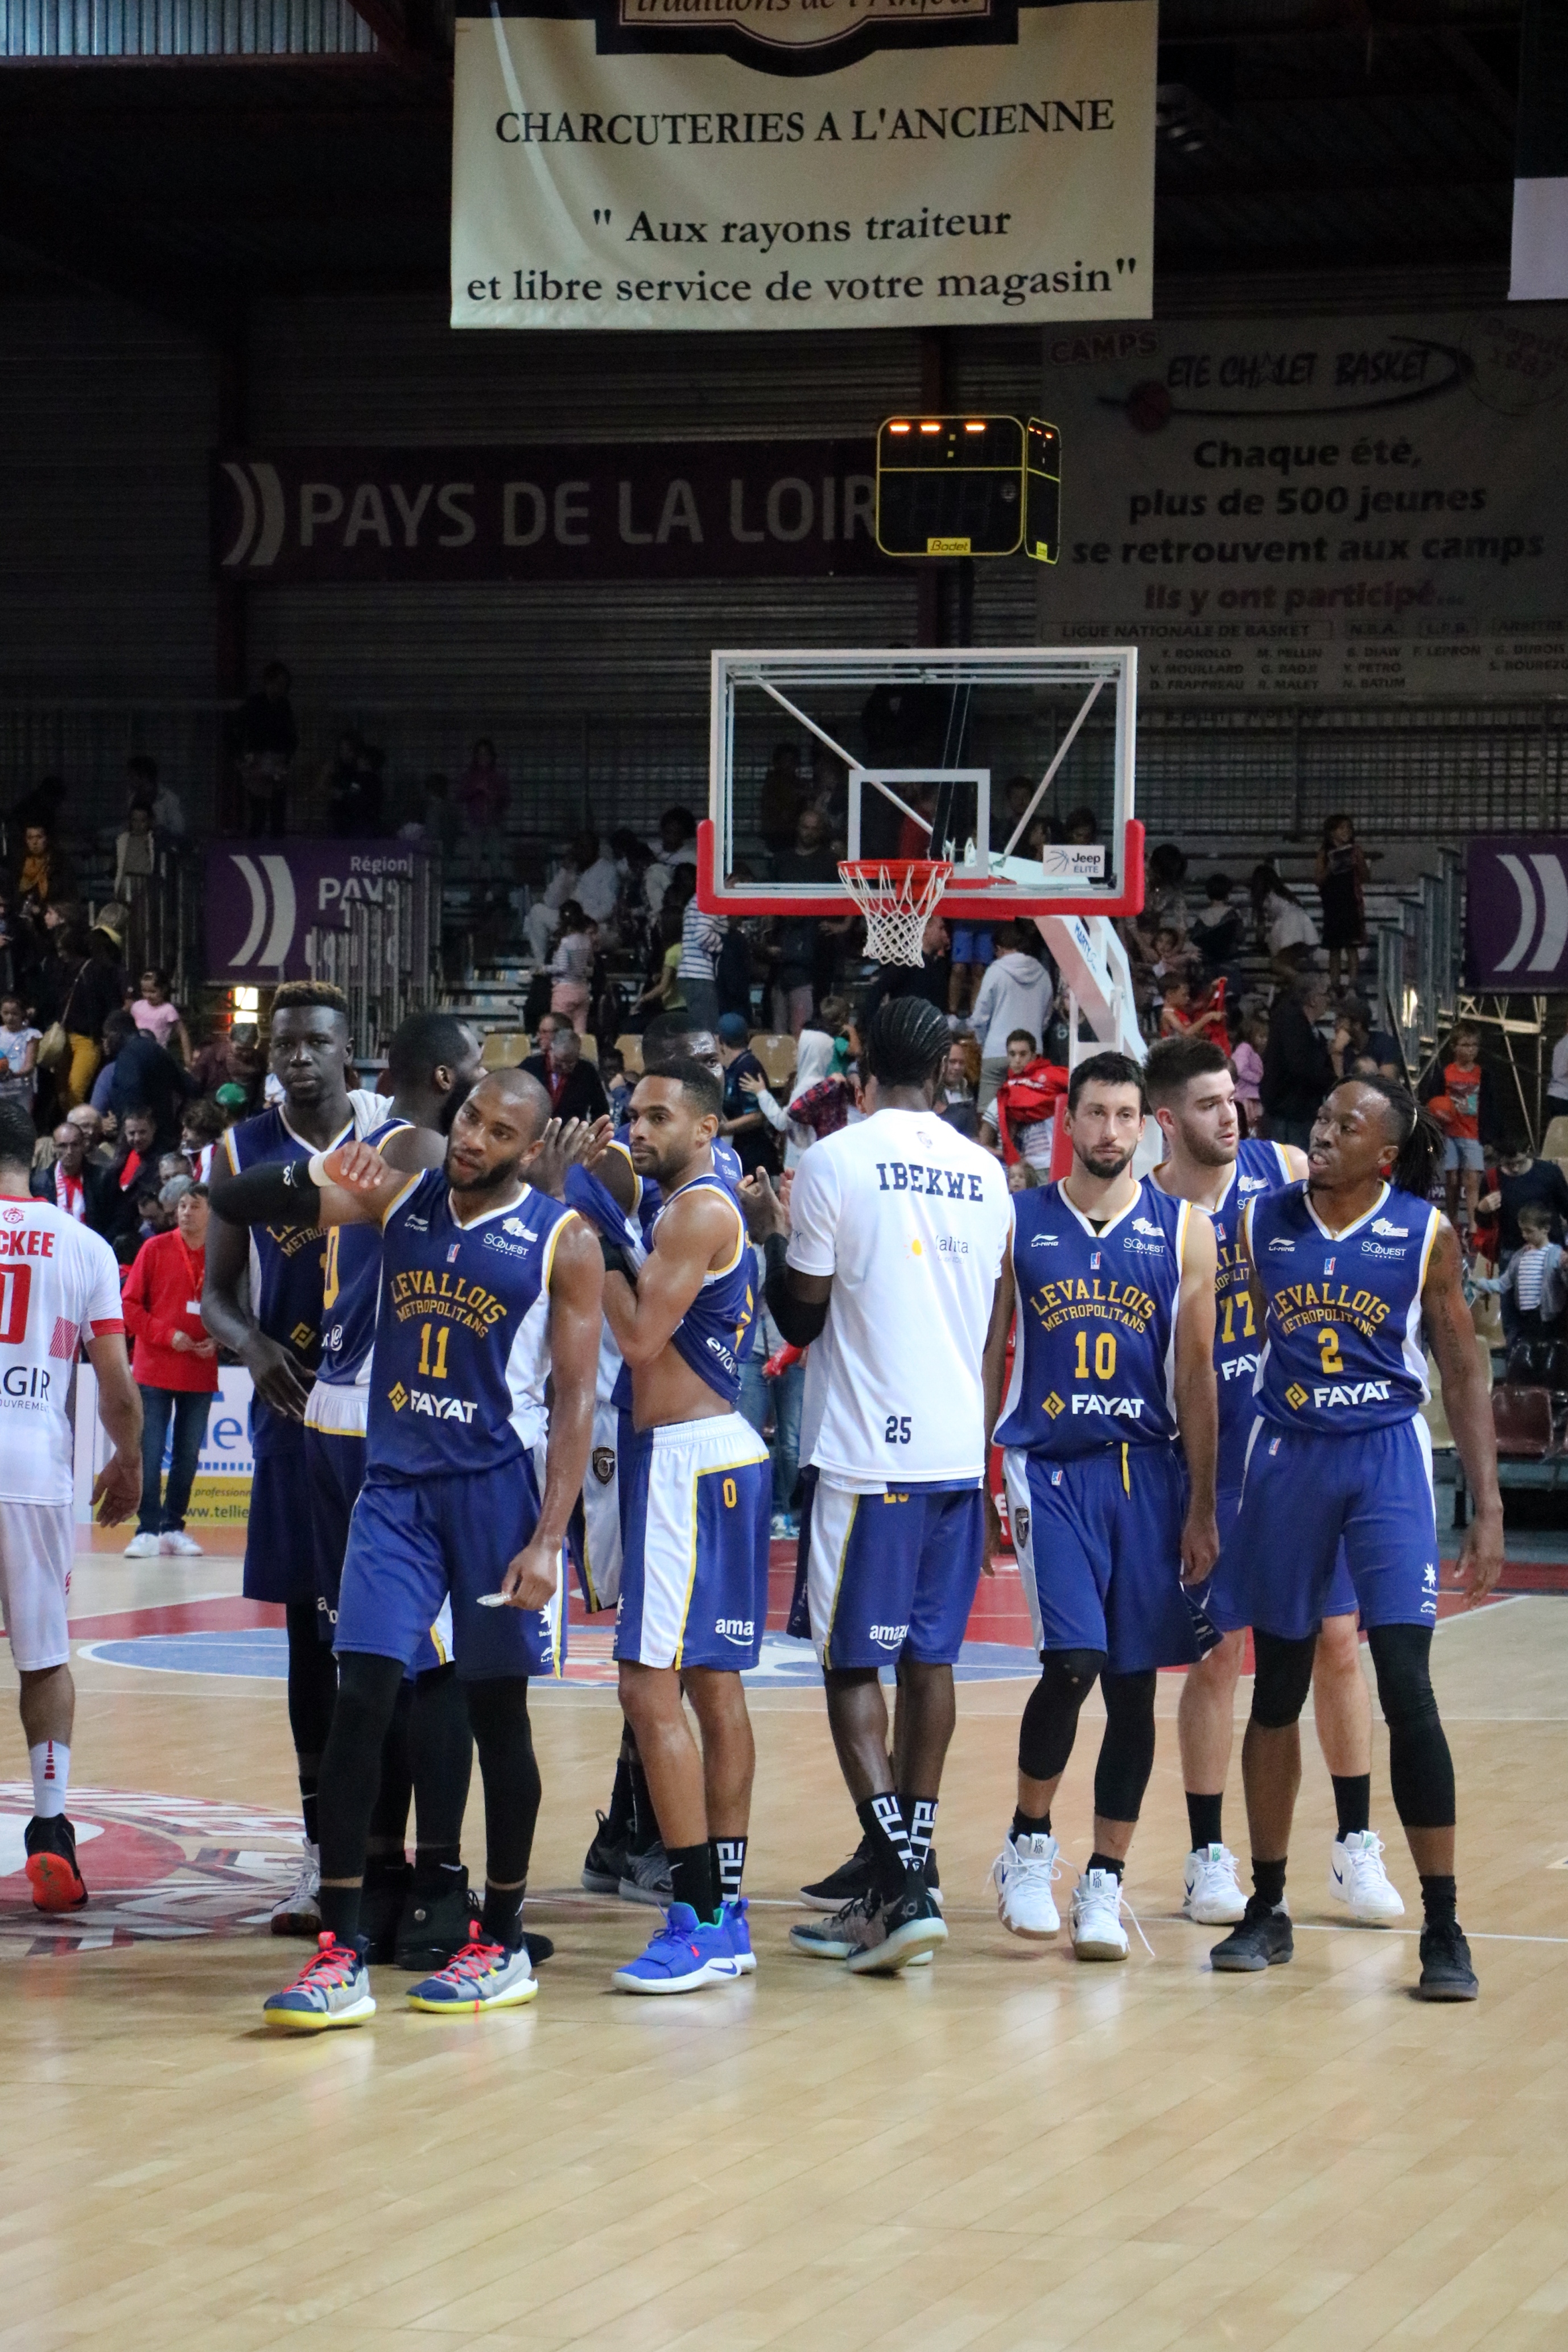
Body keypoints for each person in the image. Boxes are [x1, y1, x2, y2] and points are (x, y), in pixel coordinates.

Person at [215, 1069, 601, 2028]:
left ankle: (501, 1937)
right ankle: (341, 1949)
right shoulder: (397, 1193)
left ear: (528, 1149)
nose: (473, 1138)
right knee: (360, 1697)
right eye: (470, 1117)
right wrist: (311, 1174)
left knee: (495, 1713)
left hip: (493, 1494)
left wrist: (550, 1539)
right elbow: (235, 1197)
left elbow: (577, 1405)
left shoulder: (565, 1238)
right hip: (393, 1486)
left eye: (499, 1132)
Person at [1205, 1078, 1503, 1999]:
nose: (1323, 1132)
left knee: (1407, 1688)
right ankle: (1266, 1904)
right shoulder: (1258, 1223)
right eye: (1322, 1119)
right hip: (1289, 1460)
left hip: (1383, 1460)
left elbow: (1460, 1363)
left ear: (1386, 1150)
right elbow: (1217, 1353)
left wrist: (1486, 1503)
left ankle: (1443, 1924)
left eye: (1348, 1125)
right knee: (1278, 1683)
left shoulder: (1425, 1233)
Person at [746, 997, 1013, 1974]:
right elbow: (992, 1326)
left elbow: (801, 1322)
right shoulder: (989, 1173)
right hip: (953, 1448)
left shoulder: (834, 1162)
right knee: (929, 1661)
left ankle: (901, 1888)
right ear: (944, 1068)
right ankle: (910, 1872)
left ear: (859, 1065)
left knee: (850, 1664)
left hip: (868, 1451)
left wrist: (773, 1233)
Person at [1145, 1036, 1405, 1930]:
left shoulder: (1286, 1165)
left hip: (1304, 1448)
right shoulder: (1152, 1213)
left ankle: (1355, 1846)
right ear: (1168, 1121)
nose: (1233, 1113)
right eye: (1213, 1102)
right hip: (1212, 1461)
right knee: (1219, 1655)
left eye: (1235, 1098)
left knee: (1339, 1640)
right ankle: (1208, 1855)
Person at [984, 1052, 1219, 1960]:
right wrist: (977, 1472)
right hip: (1051, 1466)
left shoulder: (1186, 1231)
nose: (1112, 1132)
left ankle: (1105, 1881)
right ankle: (1027, 1843)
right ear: (1068, 1125)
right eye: (1096, 1115)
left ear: (1146, 1125)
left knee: (1131, 1689)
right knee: (1073, 1659)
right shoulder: (1021, 1222)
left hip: (1149, 1474)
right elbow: (992, 1351)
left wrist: (1201, 1507)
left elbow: (1197, 1380)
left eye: (1127, 1115)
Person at [291, 1010, 490, 1972]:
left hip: (337, 1407)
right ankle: (437, 1885)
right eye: (482, 1077)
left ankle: (378, 1870)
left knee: (372, 1665)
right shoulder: (421, 1149)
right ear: (448, 1079)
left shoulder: (363, 1145)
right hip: (389, 1416)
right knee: (429, 1667)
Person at [202, 982, 387, 1937]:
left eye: (316, 1040)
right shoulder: (239, 1152)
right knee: (310, 1641)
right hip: (291, 1419)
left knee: (397, 1642)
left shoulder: (394, 1140)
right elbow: (215, 1295)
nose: (299, 1057)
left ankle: (397, 1858)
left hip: (388, 1419)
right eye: (283, 1043)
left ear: (350, 1047)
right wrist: (252, 1345)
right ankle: (322, 1854)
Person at [588, 1060, 769, 1992]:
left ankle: (695, 1914)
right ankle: (727, 1909)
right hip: (718, 1452)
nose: (638, 1124)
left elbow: (634, 1336)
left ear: (705, 1129)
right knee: (711, 1681)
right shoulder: (703, 1207)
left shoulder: (693, 1210)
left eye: (659, 1114)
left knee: (645, 1684)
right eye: (633, 1111)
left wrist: (586, 1210)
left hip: (688, 1459)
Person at [0, 1094, 142, 1910]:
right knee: (43, 1654)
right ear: (38, 1155)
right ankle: (51, 1827)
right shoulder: (81, 1245)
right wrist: (128, 1461)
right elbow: (115, 1382)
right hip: (31, 1464)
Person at [119, 1181, 218, 1559]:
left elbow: (234, 1306)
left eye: (194, 1206)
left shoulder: (221, 1253)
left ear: (211, 1212)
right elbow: (129, 1306)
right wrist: (166, 1334)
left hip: (200, 1369)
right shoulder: (155, 1248)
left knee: (188, 1453)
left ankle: (173, 1526)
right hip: (155, 1368)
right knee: (150, 1447)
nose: (185, 1212)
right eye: (181, 1206)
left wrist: (220, 1340)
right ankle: (146, 1528)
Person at [968, 924, 1054, 1111]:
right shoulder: (1043, 975)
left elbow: (980, 1017)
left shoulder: (995, 971)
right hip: (1031, 1054)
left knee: (987, 1112)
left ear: (998, 949)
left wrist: (984, 1044)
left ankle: (986, 1142)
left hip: (997, 1051)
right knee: (1026, 1112)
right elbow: (1046, 1019)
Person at [1422, 1024, 1498, 1233]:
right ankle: (1453, 1221)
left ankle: (1474, 1227)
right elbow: (1432, 1100)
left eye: (1474, 1045)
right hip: (1449, 1133)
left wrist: (1490, 1138)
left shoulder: (1483, 1075)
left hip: (1473, 1133)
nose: (1471, 1050)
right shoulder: (1445, 1072)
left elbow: (1490, 1106)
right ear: (1454, 1047)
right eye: (1465, 1045)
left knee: (1472, 1179)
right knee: (1452, 1179)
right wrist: (1437, 1119)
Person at [1260, 972, 1335, 1150]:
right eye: (1325, 994)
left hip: (1298, 1111)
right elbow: (1302, 1066)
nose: (1329, 1000)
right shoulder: (1292, 1023)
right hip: (1289, 1112)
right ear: (1313, 1000)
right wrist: (1330, 1079)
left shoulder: (1309, 1030)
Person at [979, 1030, 1067, 1176]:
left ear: (1034, 1055)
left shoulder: (1051, 1077)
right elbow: (984, 1142)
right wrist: (1007, 1156)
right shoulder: (1002, 1098)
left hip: (1051, 1163)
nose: (1017, 1060)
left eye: (1023, 1054)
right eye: (1012, 1054)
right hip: (1022, 1172)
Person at [234, 662, 298, 836]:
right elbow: (237, 729)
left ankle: (278, 852)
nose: (279, 689)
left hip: (278, 762)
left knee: (278, 810)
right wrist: (242, 756)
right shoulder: (254, 704)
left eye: (283, 685)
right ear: (268, 682)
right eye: (277, 683)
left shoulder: (284, 706)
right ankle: (255, 851)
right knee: (258, 812)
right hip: (258, 762)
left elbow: (292, 736)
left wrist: (286, 758)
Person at [31, 1119, 121, 1238]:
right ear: (54, 1148)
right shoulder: (39, 1182)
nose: (69, 1152)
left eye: (75, 1145)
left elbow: (118, 1219)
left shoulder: (102, 1178)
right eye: (62, 1146)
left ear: (83, 1145)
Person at [1315, 813, 1368, 994]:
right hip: (1332, 903)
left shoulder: (1355, 851)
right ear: (1332, 832)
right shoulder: (1325, 853)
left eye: (1349, 828)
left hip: (1350, 901)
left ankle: (1352, 983)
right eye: (1342, 828)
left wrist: (1358, 863)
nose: (1347, 831)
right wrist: (1330, 868)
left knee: (1351, 946)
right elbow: (1318, 880)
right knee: (1334, 947)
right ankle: (1335, 983)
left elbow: (1365, 877)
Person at [716, 1014, 772, 1177]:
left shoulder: (748, 1068)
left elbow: (757, 1116)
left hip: (752, 1154)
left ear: (720, 1041)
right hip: (739, 1149)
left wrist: (725, 1128)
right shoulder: (733, 1068)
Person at [522, 1024, 609, 1126]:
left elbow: (600, 1108)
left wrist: (594, 1133)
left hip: (572, 1132)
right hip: (536, 1129)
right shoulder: (530, 1066)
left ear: (578, 1055)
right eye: (559, 1062)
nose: (564, 1067)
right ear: (551, 1050)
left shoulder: (587, 1071)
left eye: (570, 1063)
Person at [677, 886, 725, 1035]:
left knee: (701, 1031)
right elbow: (702, 935)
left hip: (691, 973)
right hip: (700, 974)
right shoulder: (711, 899)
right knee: (707, 1033)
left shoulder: (696, 899)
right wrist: (722, 944)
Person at [129, 968, 191, 1064]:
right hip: (137, 1055)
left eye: (153, 992)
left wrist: (188, 1059)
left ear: (164, 989)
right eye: (144, 991)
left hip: (158, 1057)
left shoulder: (168, 1010)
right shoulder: (137, 1006)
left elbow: (182, 1033)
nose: (148, 995)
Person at [456, 737, 509, 835]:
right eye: (480, 754)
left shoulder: (499, 777)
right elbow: (460, 796)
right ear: (475, 756)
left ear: (492, 756)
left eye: (486, 754)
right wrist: (476, 789)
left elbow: (506, 800)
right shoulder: (470, 776)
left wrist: (493, 795)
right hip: (474, 824)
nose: (483, 757)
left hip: (495, 824)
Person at [0, 990, 40, 1106]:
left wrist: (13, 1074)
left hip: (21, 1090)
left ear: (23, 1013)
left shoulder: (31, 1035)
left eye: (15, 1014)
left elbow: (29, 1065)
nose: (10, 1018)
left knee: (21, 1122)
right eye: (6, 1013)